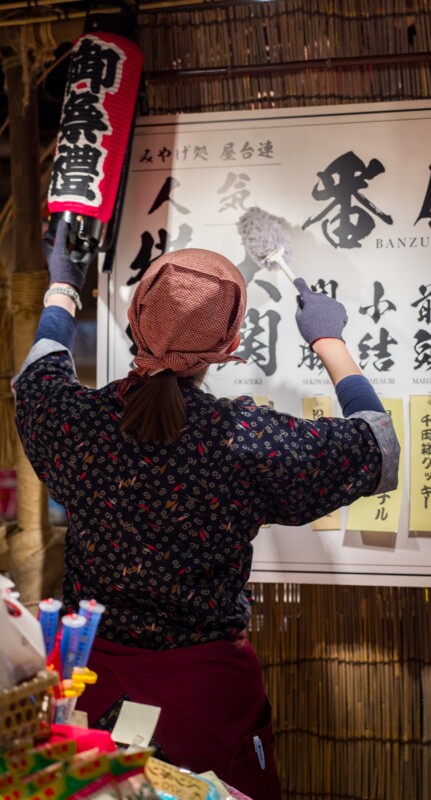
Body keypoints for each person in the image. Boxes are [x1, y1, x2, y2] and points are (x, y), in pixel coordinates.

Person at [12, 219, 399, 799]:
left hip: (89, 691)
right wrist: (329, 340)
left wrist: (63, 286)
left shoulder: (76, 423)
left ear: (132, 323)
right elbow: (378, 449)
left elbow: (39, 371)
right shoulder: (247, 440)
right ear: (229, 348)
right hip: (207, 704)